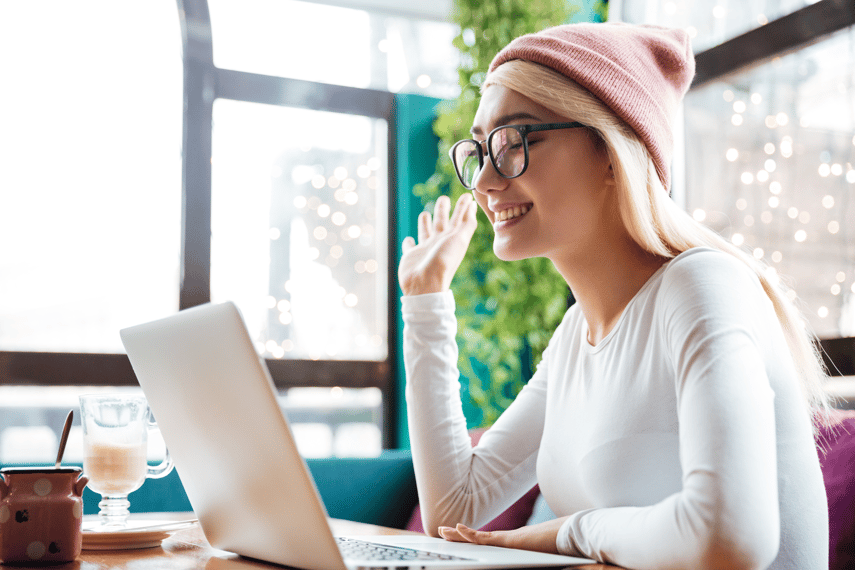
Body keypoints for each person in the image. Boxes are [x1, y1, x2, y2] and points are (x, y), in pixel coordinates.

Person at [397, 22, 831, 570]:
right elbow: (454, 508)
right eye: (480, 149)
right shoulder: (577, 336)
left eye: (514, 143)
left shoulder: (702, 287)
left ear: (610, 149)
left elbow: (731, 538)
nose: (484, 179)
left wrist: (568, 533)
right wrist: (425, 303)